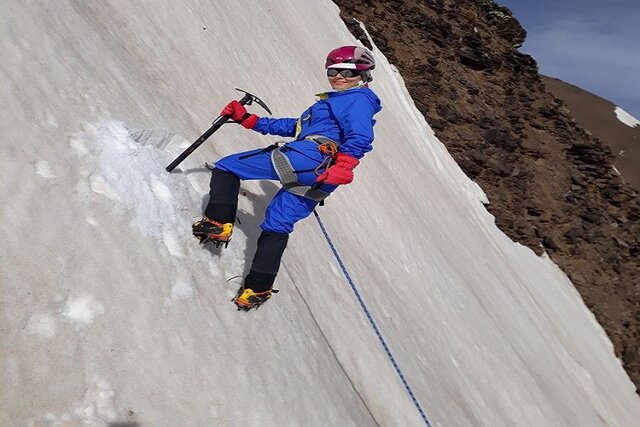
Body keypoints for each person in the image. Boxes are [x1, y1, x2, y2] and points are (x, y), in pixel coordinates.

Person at [192, 45, 382, 311]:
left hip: (309, 157)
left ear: (363, 73)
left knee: (228, 167)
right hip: (322, 177)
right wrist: (249, 119)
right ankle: (257, 289)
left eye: (346, 72)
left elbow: (360, 137)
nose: (338, 76)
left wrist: (347, 164)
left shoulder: (357, 100)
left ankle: (218, 222)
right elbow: (295, 127)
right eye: (333, 71)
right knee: (277, 226)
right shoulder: (336, 103)